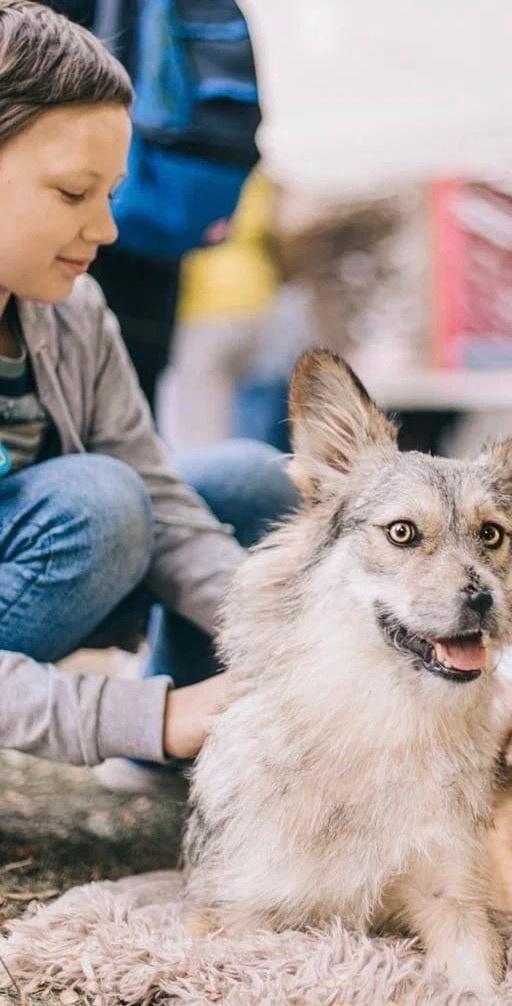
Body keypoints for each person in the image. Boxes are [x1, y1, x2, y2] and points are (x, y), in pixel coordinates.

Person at [0, 1, 295, 785]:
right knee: (99, 502)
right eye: (72, 194)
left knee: (244, 481)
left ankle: (188, 759)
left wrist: (295, 645)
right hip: (53, 557)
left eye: (111, 194)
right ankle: (154, 734)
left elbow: (161, 495)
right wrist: (157, 716)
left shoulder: (73, 312)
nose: (107, 228)